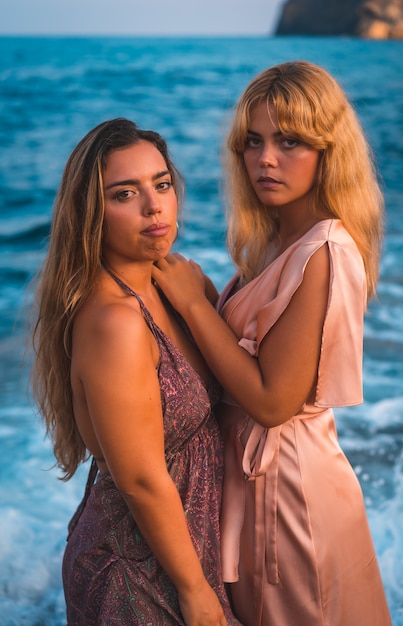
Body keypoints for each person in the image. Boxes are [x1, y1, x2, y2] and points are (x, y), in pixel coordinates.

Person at [151, 61, 393, 625]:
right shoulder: (275, 240)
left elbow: (272, 401)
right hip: (257, 486)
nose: (265, 159)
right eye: (253, 142)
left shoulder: (323, 249)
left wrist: (192, 305)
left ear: (327, 150)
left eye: (290, 142)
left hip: (287, 497)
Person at [31, 118, 241, 625]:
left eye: (162, 184)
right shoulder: (115, 322)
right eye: (125, 193)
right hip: (135, 571)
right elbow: (142, 477)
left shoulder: (171, 283)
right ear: (91, 214)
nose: (154, 206)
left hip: (185, 552)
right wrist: (195, 592)